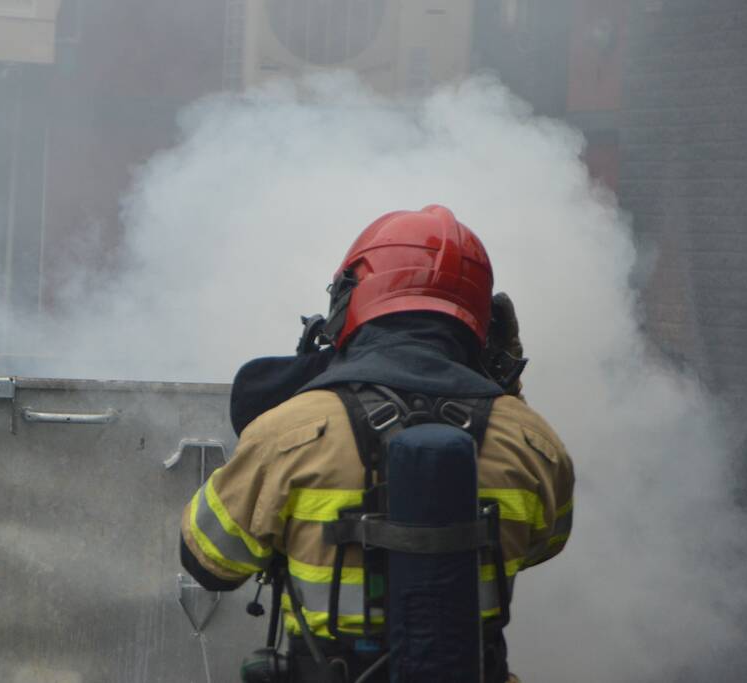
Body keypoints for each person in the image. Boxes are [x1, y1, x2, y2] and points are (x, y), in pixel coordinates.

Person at [180, 206, 574, 682]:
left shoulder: (288, 434)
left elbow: (208, 559)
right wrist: (506, 390)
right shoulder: (534, 445)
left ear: (352, 296)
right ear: (482, 323)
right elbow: (543, 542)